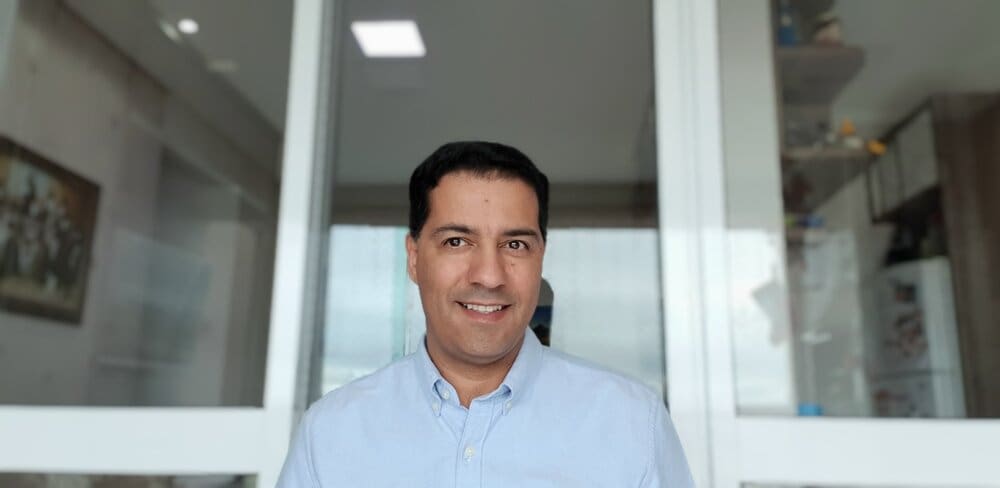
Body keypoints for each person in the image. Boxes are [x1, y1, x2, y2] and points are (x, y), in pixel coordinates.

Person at [277, 141, 693, 487]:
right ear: (414, 257)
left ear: (540, 258)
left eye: (515, 245)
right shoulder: (331, 434)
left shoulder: (633, 425)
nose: (489, 276)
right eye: (457, 241)